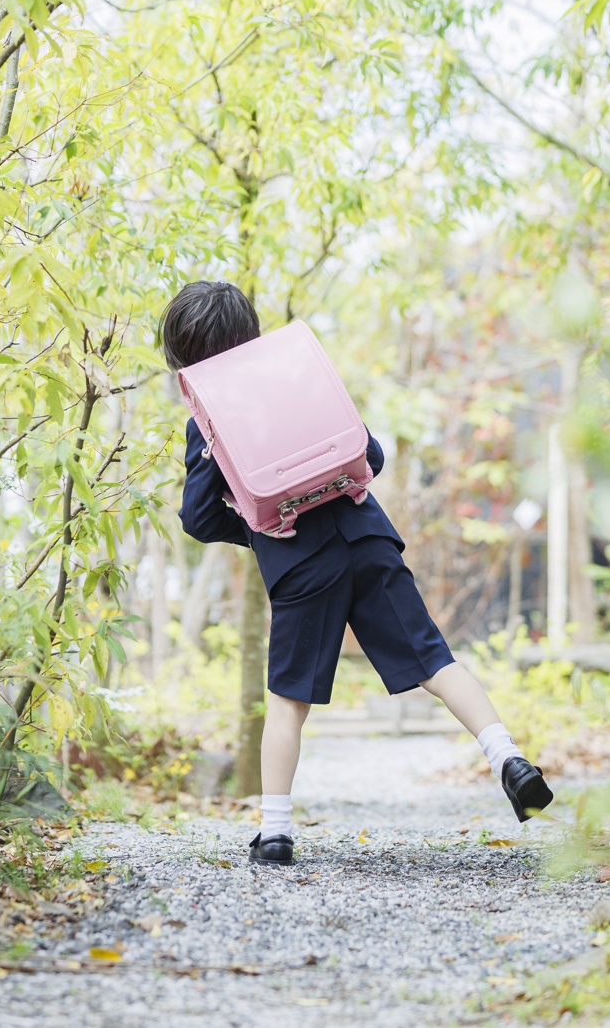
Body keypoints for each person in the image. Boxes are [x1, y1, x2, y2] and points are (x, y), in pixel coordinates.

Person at [162, 279, 554, 867]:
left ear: (184, 355)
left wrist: (261, 524)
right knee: (435, 661)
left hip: (299, 563)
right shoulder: (299, 378)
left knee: (288, 700)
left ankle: (275, 832)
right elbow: (369, 455)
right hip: (368, 539)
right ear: (252, 330)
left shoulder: (209, 417)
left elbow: (196, 517)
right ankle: (508, 758)